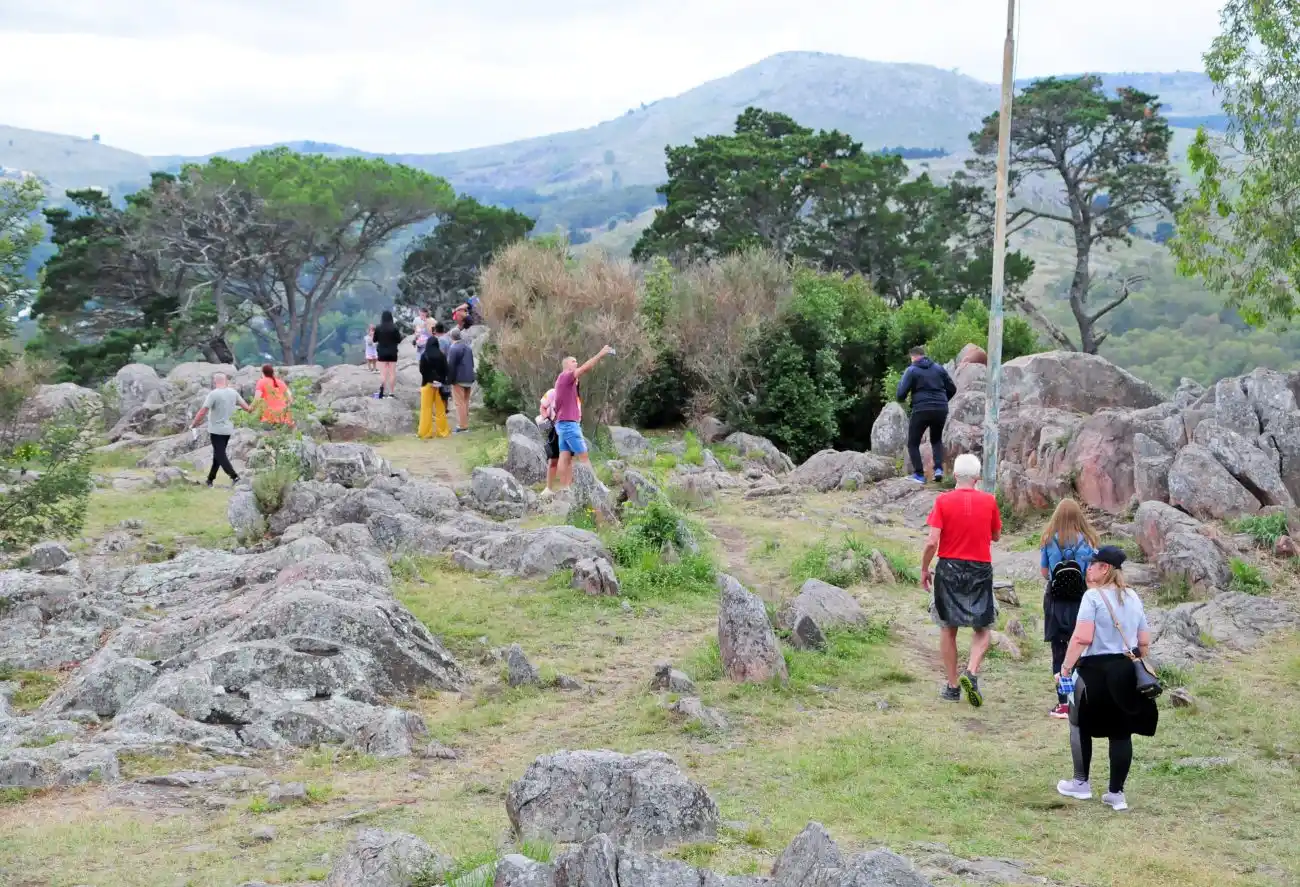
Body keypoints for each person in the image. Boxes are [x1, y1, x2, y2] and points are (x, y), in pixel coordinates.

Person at [1056, 545, 1157, 812]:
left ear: (1105, 569)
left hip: (1095, 670)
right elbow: (1144, 641)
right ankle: (1116, 794)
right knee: (1121, 733)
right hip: (1125, 669)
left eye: (1093, 564)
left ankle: (1081, 783)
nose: (1088, 568)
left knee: (1079, 724)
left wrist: (1065, 667)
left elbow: (1082, 638)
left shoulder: (1092, 597)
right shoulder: (1133, 597)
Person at [921, 453, 1001, 706]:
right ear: (978, 478)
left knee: (948, 627)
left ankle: (953, 686)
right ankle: (972, 671)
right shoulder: (989, 501)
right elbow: (996, 535)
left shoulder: (943, 501)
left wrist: (924, 568)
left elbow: (932, 541)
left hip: (949, 567)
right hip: (980, 568)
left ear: (954, 475)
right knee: (983, 627)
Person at [1040, 499, 1099, 719]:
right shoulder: (1089, 542)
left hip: (1056, 602)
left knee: (1059, 651)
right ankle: (1082, 700)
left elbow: (1045, 572)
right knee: (1082, 649)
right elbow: (1094, 573)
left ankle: (1063, 703)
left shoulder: (1048, 540)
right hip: (1082, 602)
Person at [553, 346, 612, 489]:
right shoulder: (566, 376)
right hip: (569, 425)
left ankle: (565, 488)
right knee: (584, 457)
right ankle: (597, 486)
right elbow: (586, 368)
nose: (576, 364)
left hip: (563, 423)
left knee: (566, 456)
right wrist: (600, 354)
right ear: (566, 365)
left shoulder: (564, 382)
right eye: (573, 362)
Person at [896, 345, 957, 484]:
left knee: (913, 443)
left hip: (921, 409)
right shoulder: (939, 368)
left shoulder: (911, 370)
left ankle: (919, 475)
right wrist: (942, 401)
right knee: (936, 439)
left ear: (913, 357)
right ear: (924, 355)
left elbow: (900, 395)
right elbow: (952, 389)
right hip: (941, 408)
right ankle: (938, 470)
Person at [189, 373, 254, 487]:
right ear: (226, 381)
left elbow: (203, 411)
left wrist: (194, 424)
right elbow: (247, 408)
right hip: (228, 429)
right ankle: (210, 480)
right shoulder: (233, 393)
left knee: (220, 454)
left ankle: (235, 477)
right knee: (217, 455)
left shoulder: (213, 394)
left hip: (216, 430)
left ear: (215, 381)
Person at [418, 334, 451, 439]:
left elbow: (422, 370)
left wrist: (430, 379)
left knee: (426, 409)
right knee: (440, 410)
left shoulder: (424, 355)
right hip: (439, 386)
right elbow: (446, 370)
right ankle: (442, 431)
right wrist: (439, 379)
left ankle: (425, 432)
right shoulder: (442, 356)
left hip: (427, 384)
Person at [446, 328, 476, 433]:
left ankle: (462, 426)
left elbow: (451, 366)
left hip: (459, 379)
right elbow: (471, 363)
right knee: (466, 402)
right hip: (469, 378)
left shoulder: (454, 348)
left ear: (451, 337)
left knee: (459, 403)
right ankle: (465, 423)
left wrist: (449, 380)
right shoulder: (468, 348)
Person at [536, 387, 561, 496]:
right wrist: (546, 417)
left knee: (568, 460)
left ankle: (566, 487)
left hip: (568, 429)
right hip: (554, 429)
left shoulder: (573, 395)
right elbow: (542, 407)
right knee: (553, 459)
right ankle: (549, 488)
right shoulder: (552, 392)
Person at [373, 310, 402, 399]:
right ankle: (391, 393)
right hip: (393, 352)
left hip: (381, 352)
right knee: (392, 373)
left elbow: (374, 340)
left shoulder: (378, 328)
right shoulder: (394, 327)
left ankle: (382, 390)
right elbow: (399, 340)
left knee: (383, 373)